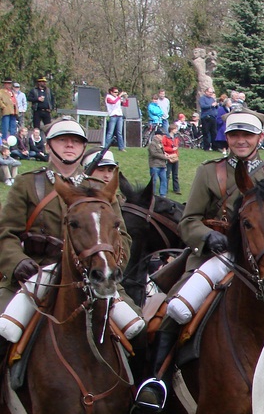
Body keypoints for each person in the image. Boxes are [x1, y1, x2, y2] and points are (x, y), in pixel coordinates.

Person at [130, 109, 264, 414]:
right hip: (217, 256)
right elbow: (188, 221)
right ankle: (156, 383)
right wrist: (207, 236)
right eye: (235, 135)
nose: (241, 140)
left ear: (259, 139)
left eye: (247, 135)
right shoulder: (209, 173)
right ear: (226, 138)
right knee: (178, 309)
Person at [0, 118, 131, 317]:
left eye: (76, 141)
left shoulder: (100, 188)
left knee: (137, 329)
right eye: (62, 139)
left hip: (94, 274)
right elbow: (6, 233)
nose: (70, 145)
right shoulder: (26, 184)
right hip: (36, 275)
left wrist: (109, 268)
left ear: (83, 147)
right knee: (4, 328)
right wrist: (17, 262)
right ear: (48, 145)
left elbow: (122, 237)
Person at [104, 86, 129, 151]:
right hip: (113, 116)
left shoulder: (117, 98)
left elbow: (125, 104)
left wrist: (126, 99)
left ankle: (121, 147)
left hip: (119, 115)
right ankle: (106, 147)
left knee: (119, 133)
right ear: (111, 92)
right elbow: (113, 102)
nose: (116, 94)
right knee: (110, 132)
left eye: (117, 92)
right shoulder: (108, 97)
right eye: (115, 92)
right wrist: (120, 96)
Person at [148, 125, 169, 197]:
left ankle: (163, 194)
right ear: (157, 135)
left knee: (164, 180)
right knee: (154, 181)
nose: (162, 137)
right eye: (161, 136)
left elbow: (161, 152)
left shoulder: (160, 144)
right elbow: (154, 154)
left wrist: (165, 154)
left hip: (162, 165)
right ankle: (152, 194)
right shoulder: (152, 144)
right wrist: (164, 157)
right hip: (155, 165)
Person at [163, 123, 182, 194]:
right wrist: (171, 149)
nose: (176, 130)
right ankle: (165, 189)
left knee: (175, 174)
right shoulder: (165, 137)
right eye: (175, 129)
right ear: (171, 130)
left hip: (175, 157)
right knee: (167, 174)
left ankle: (176, 189)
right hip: (169, 157)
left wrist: (176, 153)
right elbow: (163, 147)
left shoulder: (176, 137)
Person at [199, 86, 218, 150]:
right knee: (206, 132)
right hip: (206, 117)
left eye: (212, 92)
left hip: (213, 117)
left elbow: (215, 108)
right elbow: (203, 106)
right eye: (210, 92)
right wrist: (211, 105)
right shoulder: (202, 98)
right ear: (206, 92)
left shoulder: (212, 99)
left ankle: (215, 147)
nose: (211, 94)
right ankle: (206, 147)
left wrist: (216, 106)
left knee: (214, 132)